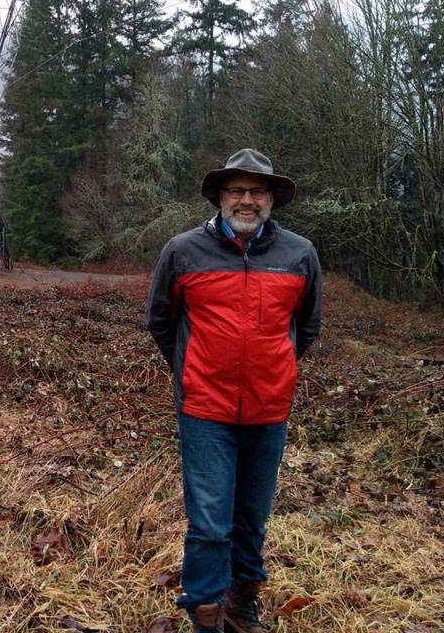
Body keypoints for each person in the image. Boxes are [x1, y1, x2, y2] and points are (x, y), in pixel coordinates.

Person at [145, 149, 322, 633]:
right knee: (209, 525)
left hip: (269, 410)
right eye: (237, 191)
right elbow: (161, 321)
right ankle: (205, 616)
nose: (247, 200)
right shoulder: (183, 251)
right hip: (205, 410)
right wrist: (195, 368)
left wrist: (273, 369)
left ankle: (242, 606)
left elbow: (306, 327)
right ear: (221, 197)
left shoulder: (299, 254)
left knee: (250, 520)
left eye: (257, 191)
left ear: (271, 199)